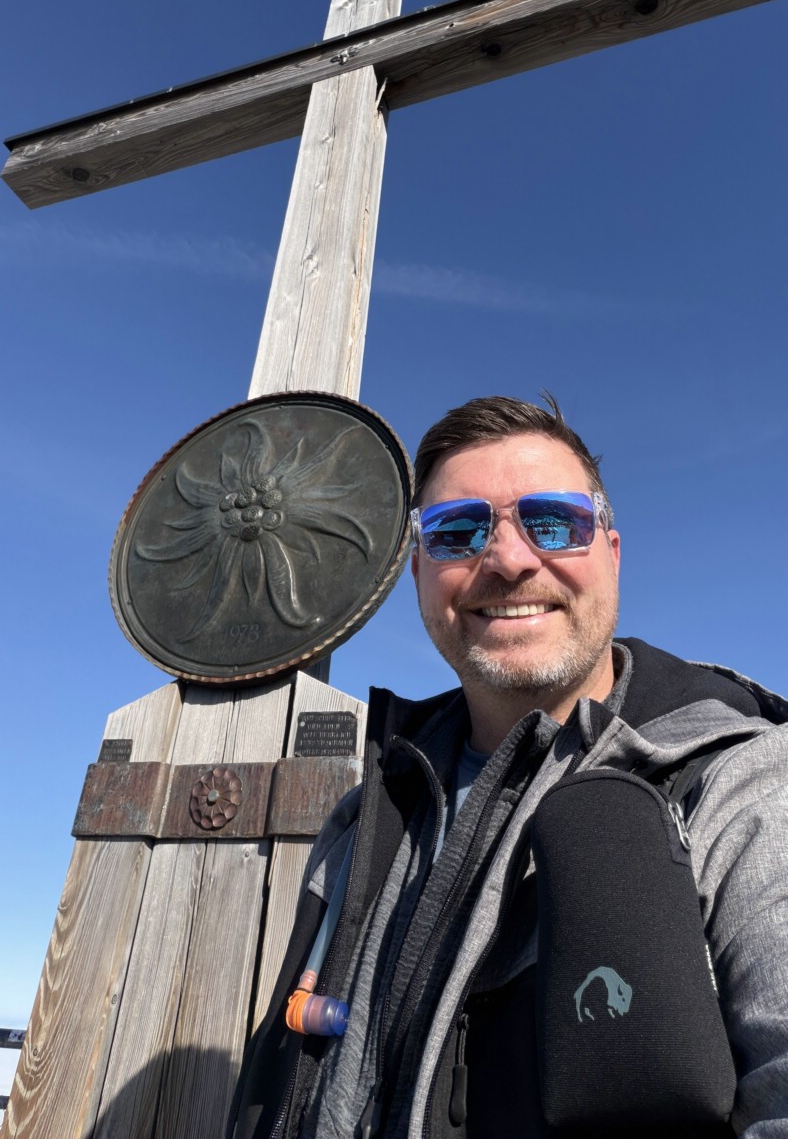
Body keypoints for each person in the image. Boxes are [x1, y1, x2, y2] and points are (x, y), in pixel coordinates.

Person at [228, 395, 788, 1138]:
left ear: (612, 554)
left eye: (553, 522)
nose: (510, 559)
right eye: (457, 531)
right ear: (419, 571)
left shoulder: (743, 787)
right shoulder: (367, 814)